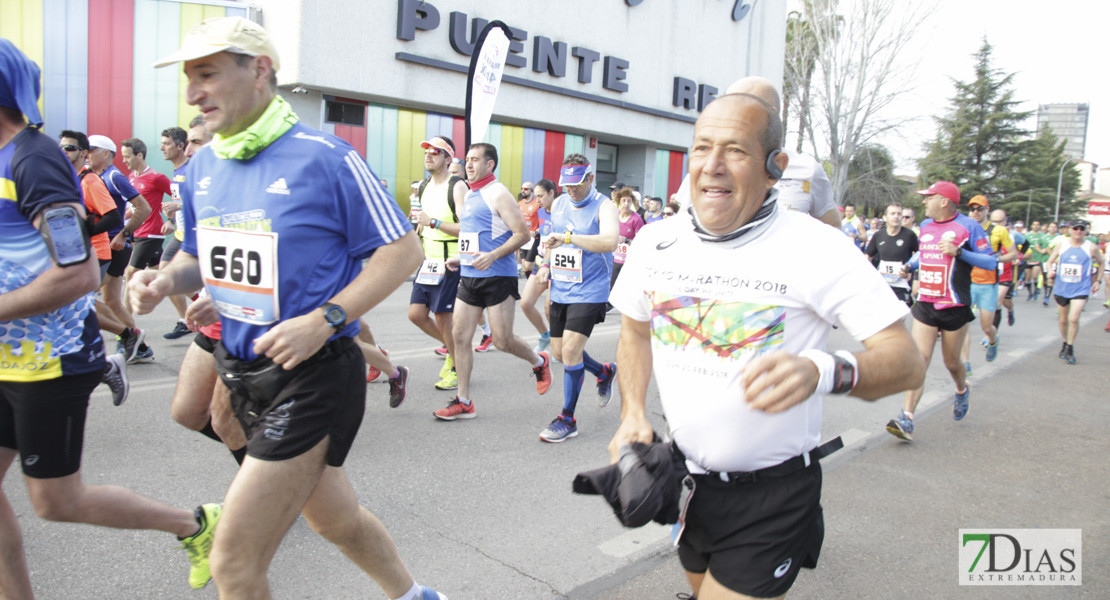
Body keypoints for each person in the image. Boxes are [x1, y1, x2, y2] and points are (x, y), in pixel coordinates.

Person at [137, 17, 446, 599]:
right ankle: (415, 596)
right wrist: (162, 280)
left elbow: (402, 250)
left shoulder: (325, 157)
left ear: (259, 71)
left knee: (233, 563)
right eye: (188, 77)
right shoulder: (203, 167)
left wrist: (326, 317)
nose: (192, 93)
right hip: (242, 370)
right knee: (334, 520)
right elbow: (200, 258)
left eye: (207, 73)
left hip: (316, 373)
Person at [608, 93, 924, 600]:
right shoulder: (655, 241)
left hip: (773, 498)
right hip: (687, 484)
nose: (711, 167)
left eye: (734, 150)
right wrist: (631, 413)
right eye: (701, 147)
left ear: (775, 167)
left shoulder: (817, 247)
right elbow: (634, 332)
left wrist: (822, 371)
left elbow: (907, 361)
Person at [0, 39, 219, 596]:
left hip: (49, 360)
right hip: (6, 355)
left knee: (56, 502)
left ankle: (195, 524)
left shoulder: (32, 158)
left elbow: (75, 275)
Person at [433, 142, 552, 421]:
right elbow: (472, 235)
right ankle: (463, 401)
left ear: (490, 165)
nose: (469, 164)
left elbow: (522, 234)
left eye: (475, 160)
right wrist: (461, 259)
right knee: (460, 337)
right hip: (469, 276)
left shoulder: (497, 193)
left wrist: (493, 255)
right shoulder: (471, 194)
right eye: (467, 160)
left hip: (498, 276)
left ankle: (539, 361)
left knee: (502, 340)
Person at [887, 181, 996, 441]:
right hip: (925, 302)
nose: (924, 201)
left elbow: (990, 260)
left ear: (944, 201)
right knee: (919, 359)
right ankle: (907, 418)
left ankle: (961, 389)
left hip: (955, 305)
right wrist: (910, 266)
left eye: (929, 197)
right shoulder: (925, 226)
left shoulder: (970, 227)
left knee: (951, 362)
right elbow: (923, 254)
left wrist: (960, 253)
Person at [533, 154, 618, 442]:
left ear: (590, 179)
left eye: (577, 184)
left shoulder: (604, 206)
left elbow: (609, 241)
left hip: (592, 289)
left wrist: (569, 238)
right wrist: (545, 265)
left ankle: (567, 418)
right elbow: (549, 243)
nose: (572, 190)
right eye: (567, 185)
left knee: (570, 352)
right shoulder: (558, 204)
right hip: (561, 288)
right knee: (559, 353)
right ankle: (603, 372)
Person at [57, 130, 130, 406]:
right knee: (85, 304)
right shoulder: (69, 178)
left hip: (97, 253)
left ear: (84, 153)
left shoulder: (91, 180)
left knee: (78, 306)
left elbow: (113, 215)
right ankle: (126, 342)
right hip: (75, 255)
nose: (64, 152)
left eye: (70, 148)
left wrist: (87, 232)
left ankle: (122, 341)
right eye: (61, 147)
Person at [87, 134, 154, 362]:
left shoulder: (114, 176)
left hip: (115, 247)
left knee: (83, 297)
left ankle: (129, 338)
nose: (87, 154)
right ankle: (140, 346)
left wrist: (124, 234)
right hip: (106, 246)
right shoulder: (96, 176)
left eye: (92, 150)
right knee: (113, 301)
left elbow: (143, 208)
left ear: (106, 153)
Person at [409, 135, 469, 391]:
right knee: (416, 315)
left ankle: (456, 368)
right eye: (426, 151)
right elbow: (419, 225)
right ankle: (452, 349)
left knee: (444, 318)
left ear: (448, 158)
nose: (429, 155)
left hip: (450, 262)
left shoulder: (457, 186)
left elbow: (467, 228)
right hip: (428, 262)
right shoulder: (423, 186)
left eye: (436, 152)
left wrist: (432, 221)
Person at [959, 195, 1015, 371]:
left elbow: (1013, 254)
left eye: (979, 209)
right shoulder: (964, 228)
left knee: (986, 326)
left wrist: (995, 258)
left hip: (988, 284)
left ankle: (993, 339)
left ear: (987, 210)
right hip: (967, 282)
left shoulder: (999, 231)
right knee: (962, 324)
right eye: (972, 209)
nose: (975, 212)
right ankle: (965, 363)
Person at [1045, 220, 1104, 364]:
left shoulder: (1091, 247)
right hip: (1062, 287)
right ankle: (1065, 342)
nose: (1078, 231)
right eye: (1075, 228)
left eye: (1081, 229)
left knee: (1074, 318)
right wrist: (1050, 271)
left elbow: (1101, 263)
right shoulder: (1062, 245)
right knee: (1063, 319)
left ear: (1085, 231)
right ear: (1070, 230)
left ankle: (1070, 347)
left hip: (1081, 288)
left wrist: (1098, 281)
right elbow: (1050, 260)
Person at [157, 126, 194, 340]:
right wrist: (171, 220)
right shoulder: (176, 170)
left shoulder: (191, 169)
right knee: (165, 275)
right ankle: (185, 319)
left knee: (171, 277)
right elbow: (177, 202)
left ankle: (201, 307)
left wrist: (178, 206)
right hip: (179, 233)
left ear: (180, 145)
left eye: (167, 143)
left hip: (192, 234)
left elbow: (202, 198)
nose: (162, 148)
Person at [520, 178, 558, 354]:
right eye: (536, 197)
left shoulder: (561, 213)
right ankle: (545, 335)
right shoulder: (540, 212)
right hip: (540, 263)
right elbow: (539, 236)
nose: (538, 200)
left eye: (541, 196)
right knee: (526, 303)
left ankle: (560, 343)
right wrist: (530, 257)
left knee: (549, 308)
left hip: (557, 266)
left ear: (551, 193)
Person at [865, 202, 918, 307]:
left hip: (901, 285)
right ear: (885, 217)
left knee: (898, 318)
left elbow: (919, 255)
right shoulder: (879, 235)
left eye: (899, 214)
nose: (896, 217)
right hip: (882, 285)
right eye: (892, 213)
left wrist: (911, 270)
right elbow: (868, 256)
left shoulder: (909, 235)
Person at [610, 186, 644, 295]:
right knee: (611, 284)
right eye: (623, 201)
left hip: (628, 259)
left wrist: (627, 240)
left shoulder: (636, 219)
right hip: (614, 257)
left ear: (632, 203)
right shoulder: (615, 215)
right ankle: (608, 304)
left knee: (626, 287)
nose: (626, 204)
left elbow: (640, 243)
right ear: (619, 202)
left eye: (629, 201)